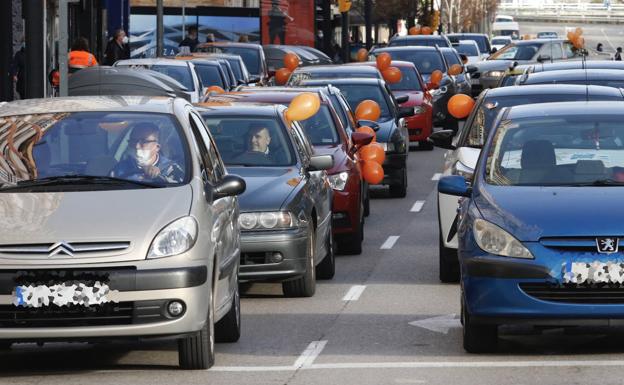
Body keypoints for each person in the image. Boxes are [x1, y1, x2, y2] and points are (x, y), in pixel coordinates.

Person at [111, 123, 184, 183]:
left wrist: (160, 178)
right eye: (133, 141)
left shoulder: (171, 169)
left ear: (157, 147)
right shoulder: (120, 168)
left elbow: (179, 193)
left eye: (144, 141)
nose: (136, 146)